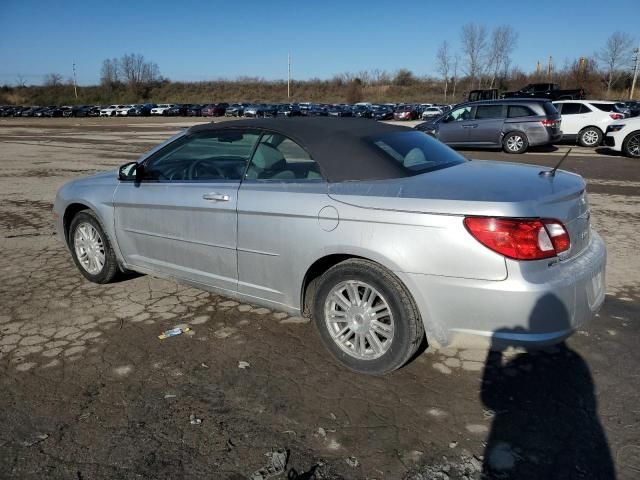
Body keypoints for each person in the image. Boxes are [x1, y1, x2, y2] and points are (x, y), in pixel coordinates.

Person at [481, 294, 615, 479]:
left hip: (526, 461)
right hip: (565, 460)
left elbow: (490, 398)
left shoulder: (521, 365)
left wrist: (495, 350)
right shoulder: (576, 363)